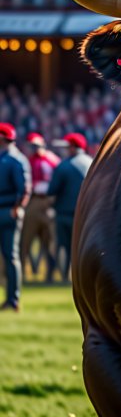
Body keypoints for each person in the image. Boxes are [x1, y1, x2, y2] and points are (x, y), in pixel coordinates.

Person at [47, 133, 92, 281]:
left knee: (64, 247)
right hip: (85, 214)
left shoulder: (64, 165)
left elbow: (52, 190)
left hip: (64, 213)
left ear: (72, 147)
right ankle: (81, 276)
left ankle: (65, 276)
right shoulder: (91, 162)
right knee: (81, 247)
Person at [0, 122, 31, 311]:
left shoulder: (15, 159)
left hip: (8, 211)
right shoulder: (8, 158)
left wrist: (17, 208)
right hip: (6, 210)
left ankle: (13, 299)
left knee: (11, 257)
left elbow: (25, 189)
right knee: (9, 257)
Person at [22, 132, 60, 282]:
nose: (34, 148)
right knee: (25, 241)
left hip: (48, 203)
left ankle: (51, 274)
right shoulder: (28, 161)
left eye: (36, 145)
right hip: (33, 202)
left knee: (49, 242)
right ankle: (23, 274)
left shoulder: (52, 160)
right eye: (32, 146)